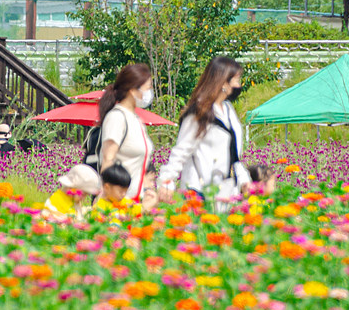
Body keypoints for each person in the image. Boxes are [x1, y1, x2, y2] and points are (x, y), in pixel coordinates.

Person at [158, 56, 251, 203]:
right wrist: (166, 181)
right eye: (236, 80)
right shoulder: (199, 112)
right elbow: (181, 151)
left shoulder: (228, 110)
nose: (239, 85)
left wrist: (244, 180)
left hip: (223, 191)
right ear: (224, 82)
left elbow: (234, 155)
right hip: (197, 191)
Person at [96, 64, 155, 200]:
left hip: (134, 199)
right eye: (147, 88)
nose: (149, 93)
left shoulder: (135, 119)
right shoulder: (117, 117)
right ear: (132, 90)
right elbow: (108, 160)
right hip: (118, 200)